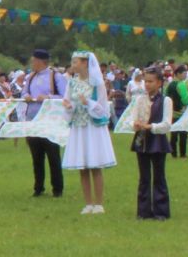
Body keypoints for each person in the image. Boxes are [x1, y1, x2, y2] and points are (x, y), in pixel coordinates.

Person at [61, 51, 116, 215]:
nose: (73, 65)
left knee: (95, 165)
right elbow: (67, 101)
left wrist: (88, 103)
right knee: (83, 166)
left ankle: (99, 203)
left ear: (85, 63)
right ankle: (88, 203)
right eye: (73, 62)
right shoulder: (71, 83)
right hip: (79, 127)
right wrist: (68, 107)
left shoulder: (96, 83)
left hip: (93, 127)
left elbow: (103, 109)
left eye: (76, 62)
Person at [129, 65, 176, 219]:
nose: (147, 84)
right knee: (144, 177)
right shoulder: (139, 100)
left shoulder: (166, 101)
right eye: (145, 81)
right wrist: (134, 125)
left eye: (150, 81)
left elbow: (167, 124)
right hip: (141, 141)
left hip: (158, 141)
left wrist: (151, 127)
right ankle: (143, 212)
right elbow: (132, 119)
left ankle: (161, 211)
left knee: (159, 176)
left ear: (159, 83)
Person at [21, 48, 67, 197]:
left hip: (50, 120)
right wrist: (27, 95)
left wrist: (48, 98)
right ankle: (38, 187)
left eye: (34, 60)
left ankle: (57, 188)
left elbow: (65, 96)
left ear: (41, 61)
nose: (32, 63)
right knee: (36, 156)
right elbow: (23, 92)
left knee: (53, 155)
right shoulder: (30, 77)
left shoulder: (56, 76)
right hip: (33, 121)